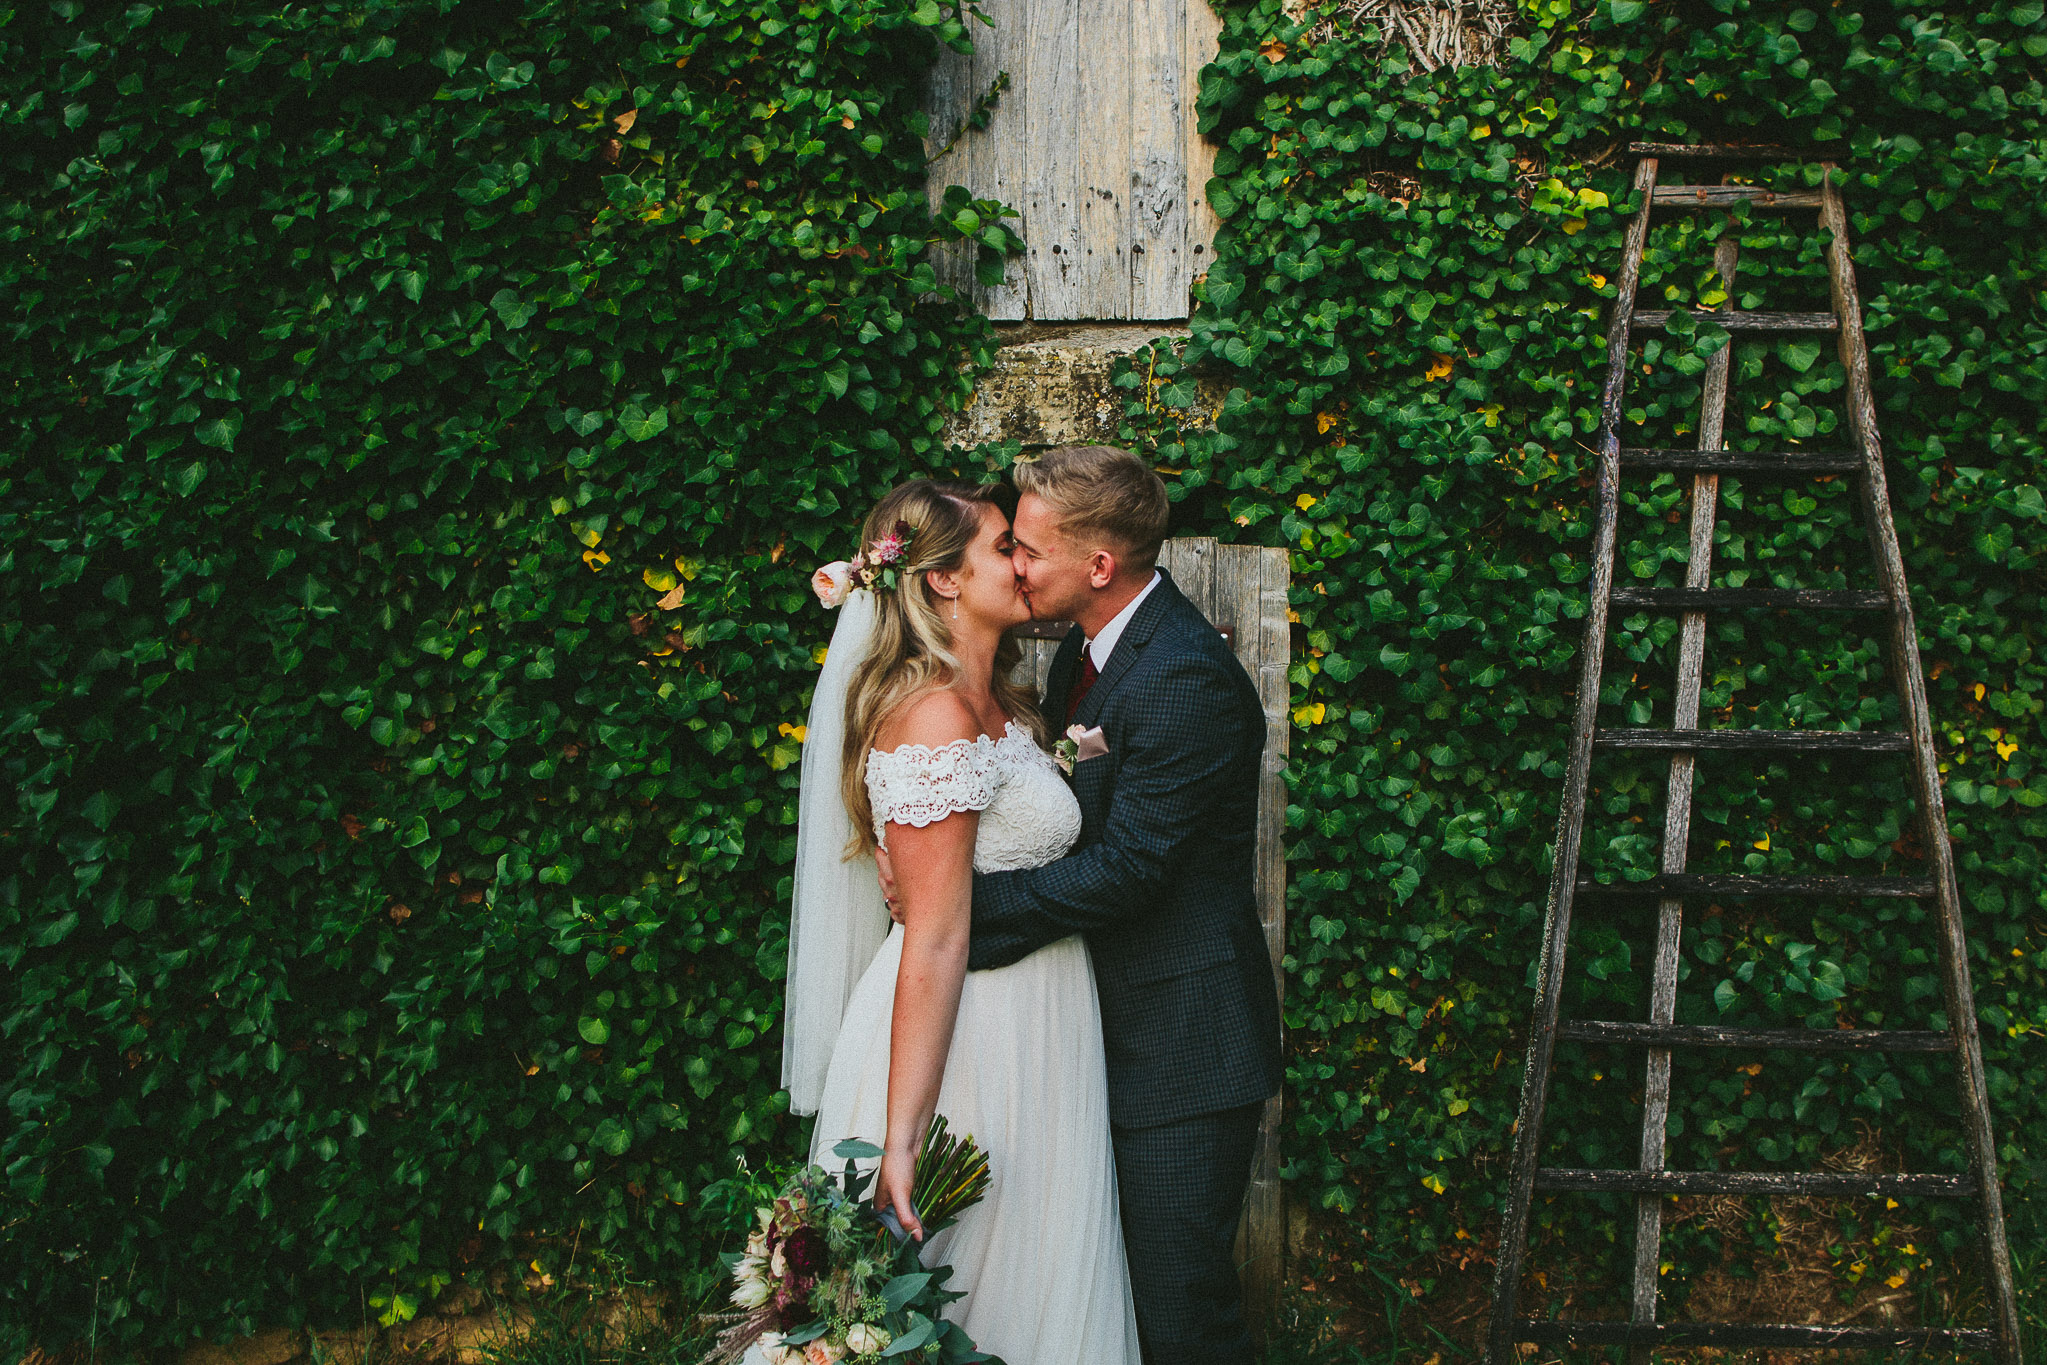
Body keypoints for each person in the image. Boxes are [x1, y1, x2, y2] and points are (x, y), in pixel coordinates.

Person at [881, 446, 1284, 1365]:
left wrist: (961, 907)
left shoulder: (1182, 675)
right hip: (1081, 1033)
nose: (1016, 566)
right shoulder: (1082, 655)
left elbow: (1131, 868)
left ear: (1097, 566)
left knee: (1180, 1315)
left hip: (1181, 1047)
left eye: (1026, 548)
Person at [778, 478, 1141, 1365]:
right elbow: (936, 935)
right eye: (1002, 546)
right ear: (942, 578)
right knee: (960, 1287)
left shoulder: (1006, 706)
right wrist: (901, 1137)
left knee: (1036, 1276)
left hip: (1043, 1028)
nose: (1023, 562)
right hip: (971, 1040)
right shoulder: (933, 716)